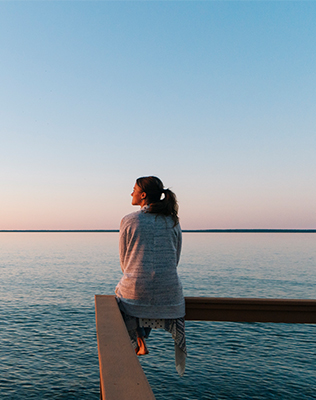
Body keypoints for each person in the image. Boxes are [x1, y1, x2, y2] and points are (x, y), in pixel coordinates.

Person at [115, 176, 186, 376]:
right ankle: (142, 337)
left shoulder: (129, 220)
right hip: (170, 293)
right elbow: (176, 258)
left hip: (136, 291)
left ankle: (140, 338)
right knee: (142, 293)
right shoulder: (173, 221)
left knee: (123, 294)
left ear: (143, 195)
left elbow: (124, 261)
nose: (131, 193)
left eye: (134, 189)